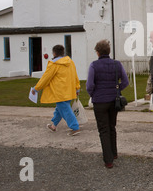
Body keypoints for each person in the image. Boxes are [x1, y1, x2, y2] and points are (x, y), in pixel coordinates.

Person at [86, 40, 129, 168]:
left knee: (103, 130)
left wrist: (93, 94)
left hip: (99, 101)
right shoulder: (117, 64)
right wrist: (117, 89)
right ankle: (114, 153)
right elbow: (125, 81)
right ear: (108, 51)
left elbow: (90, 85)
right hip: (113, 100)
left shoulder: (94, 65)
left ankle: (108, 159)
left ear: (98, 52)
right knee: (111, 127)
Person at [33, 45, 81, 136]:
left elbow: (45, 78)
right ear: (63, 52)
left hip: (59, 92)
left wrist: (36, 88)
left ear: (54, 53)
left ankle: (75, 127)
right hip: (69, 90)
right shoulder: (70, 62)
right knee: (60, 108)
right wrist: (77, 87)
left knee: (65, 109)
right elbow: (75, 75)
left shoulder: (54, 64)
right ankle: (54, 125)